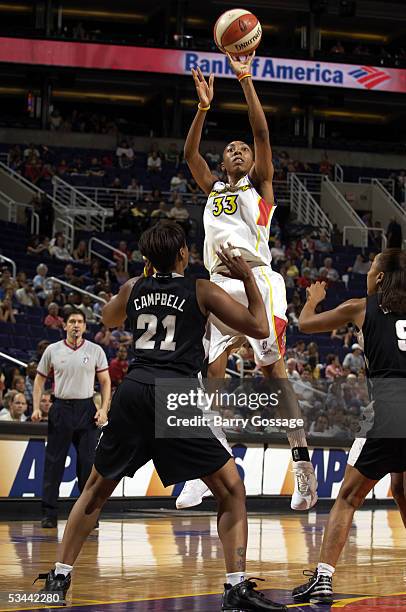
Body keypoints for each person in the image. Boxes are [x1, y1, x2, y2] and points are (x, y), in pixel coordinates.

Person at [35, 221, 287, 611]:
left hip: (134, 391)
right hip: (175, 394)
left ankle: (59, 577)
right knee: (231, 489)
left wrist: (141, 281)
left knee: (95, 489)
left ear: (147, 258)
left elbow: (108, 317)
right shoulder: (201, 289)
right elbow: (258, 324)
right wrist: (249, 278)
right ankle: (236, 588)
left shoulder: (135, 287)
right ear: (184, 254)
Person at [180, 56, 317, 511]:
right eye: (231, 148)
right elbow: (190, 157)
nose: (239, 150)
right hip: (219, 282)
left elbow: (261, 133)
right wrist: (202, 109)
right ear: (223, 162)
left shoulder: (260, 186)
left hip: (258, 277)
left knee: (272, 374)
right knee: (209, 373)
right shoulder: (215, 189)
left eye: (244, 148)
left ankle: (302, 468)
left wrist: (244, 79)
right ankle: (211, 464)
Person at [292, 249, 406, 604]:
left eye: (372, 268)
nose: (368, 274)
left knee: (349, 497)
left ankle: (323, 576)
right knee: (401, 488)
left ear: (381, 278)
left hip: (389, 406)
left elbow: (305, 325)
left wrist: (313, 300)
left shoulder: (362, 306)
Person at [32, 309, 111, 528]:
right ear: (65, 325)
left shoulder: (95, 350)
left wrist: (103, 409)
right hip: (61, 408)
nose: (76, 325)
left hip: (86, 409)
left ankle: (88, 514)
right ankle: (49, 514)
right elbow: (39, 381)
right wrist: (37, 407)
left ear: (85, 326)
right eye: (72, 321)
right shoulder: (53, 350)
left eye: (80, 322)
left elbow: (105, 382)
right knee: (54, 464)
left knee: (87, 465)